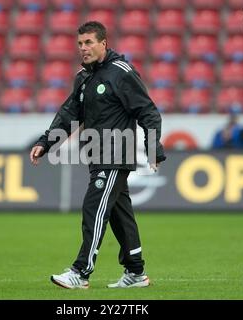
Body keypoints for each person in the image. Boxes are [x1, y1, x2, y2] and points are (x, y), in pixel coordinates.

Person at [29, 21, 166, 289]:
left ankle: (81, 272)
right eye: (80, 43)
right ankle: (136, 273)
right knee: (118, 213)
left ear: (103, 43)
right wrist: (46, 142)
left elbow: (148, 111)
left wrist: (153, 148)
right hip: (97, 155)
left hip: (115, 154)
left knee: (94, 207)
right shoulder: (84, 76)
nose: (83, 48)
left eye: (89, 42)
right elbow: (70, 114)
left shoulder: (121, 73)